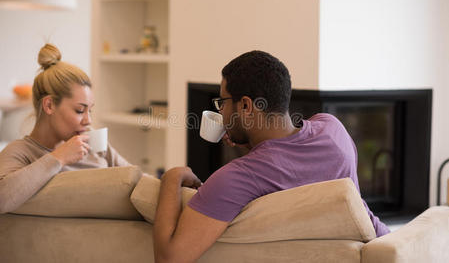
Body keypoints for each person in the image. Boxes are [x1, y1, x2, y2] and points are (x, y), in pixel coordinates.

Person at [153, 50, 390, 263]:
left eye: (222, 103)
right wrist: (249, 141)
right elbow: (288, 159)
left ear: (246, 106)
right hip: (384, 247)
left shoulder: (235, 179)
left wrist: (171, 178)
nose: (221, 112)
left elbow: (170, 258)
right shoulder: (333, 128)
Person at [0, 43, 130, 213]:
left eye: (90, 111)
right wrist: (59, 157)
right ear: (49, 105)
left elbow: (137, 180)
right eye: (79, 110)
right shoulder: (20, 152)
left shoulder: (94, 142)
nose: (88, 120)